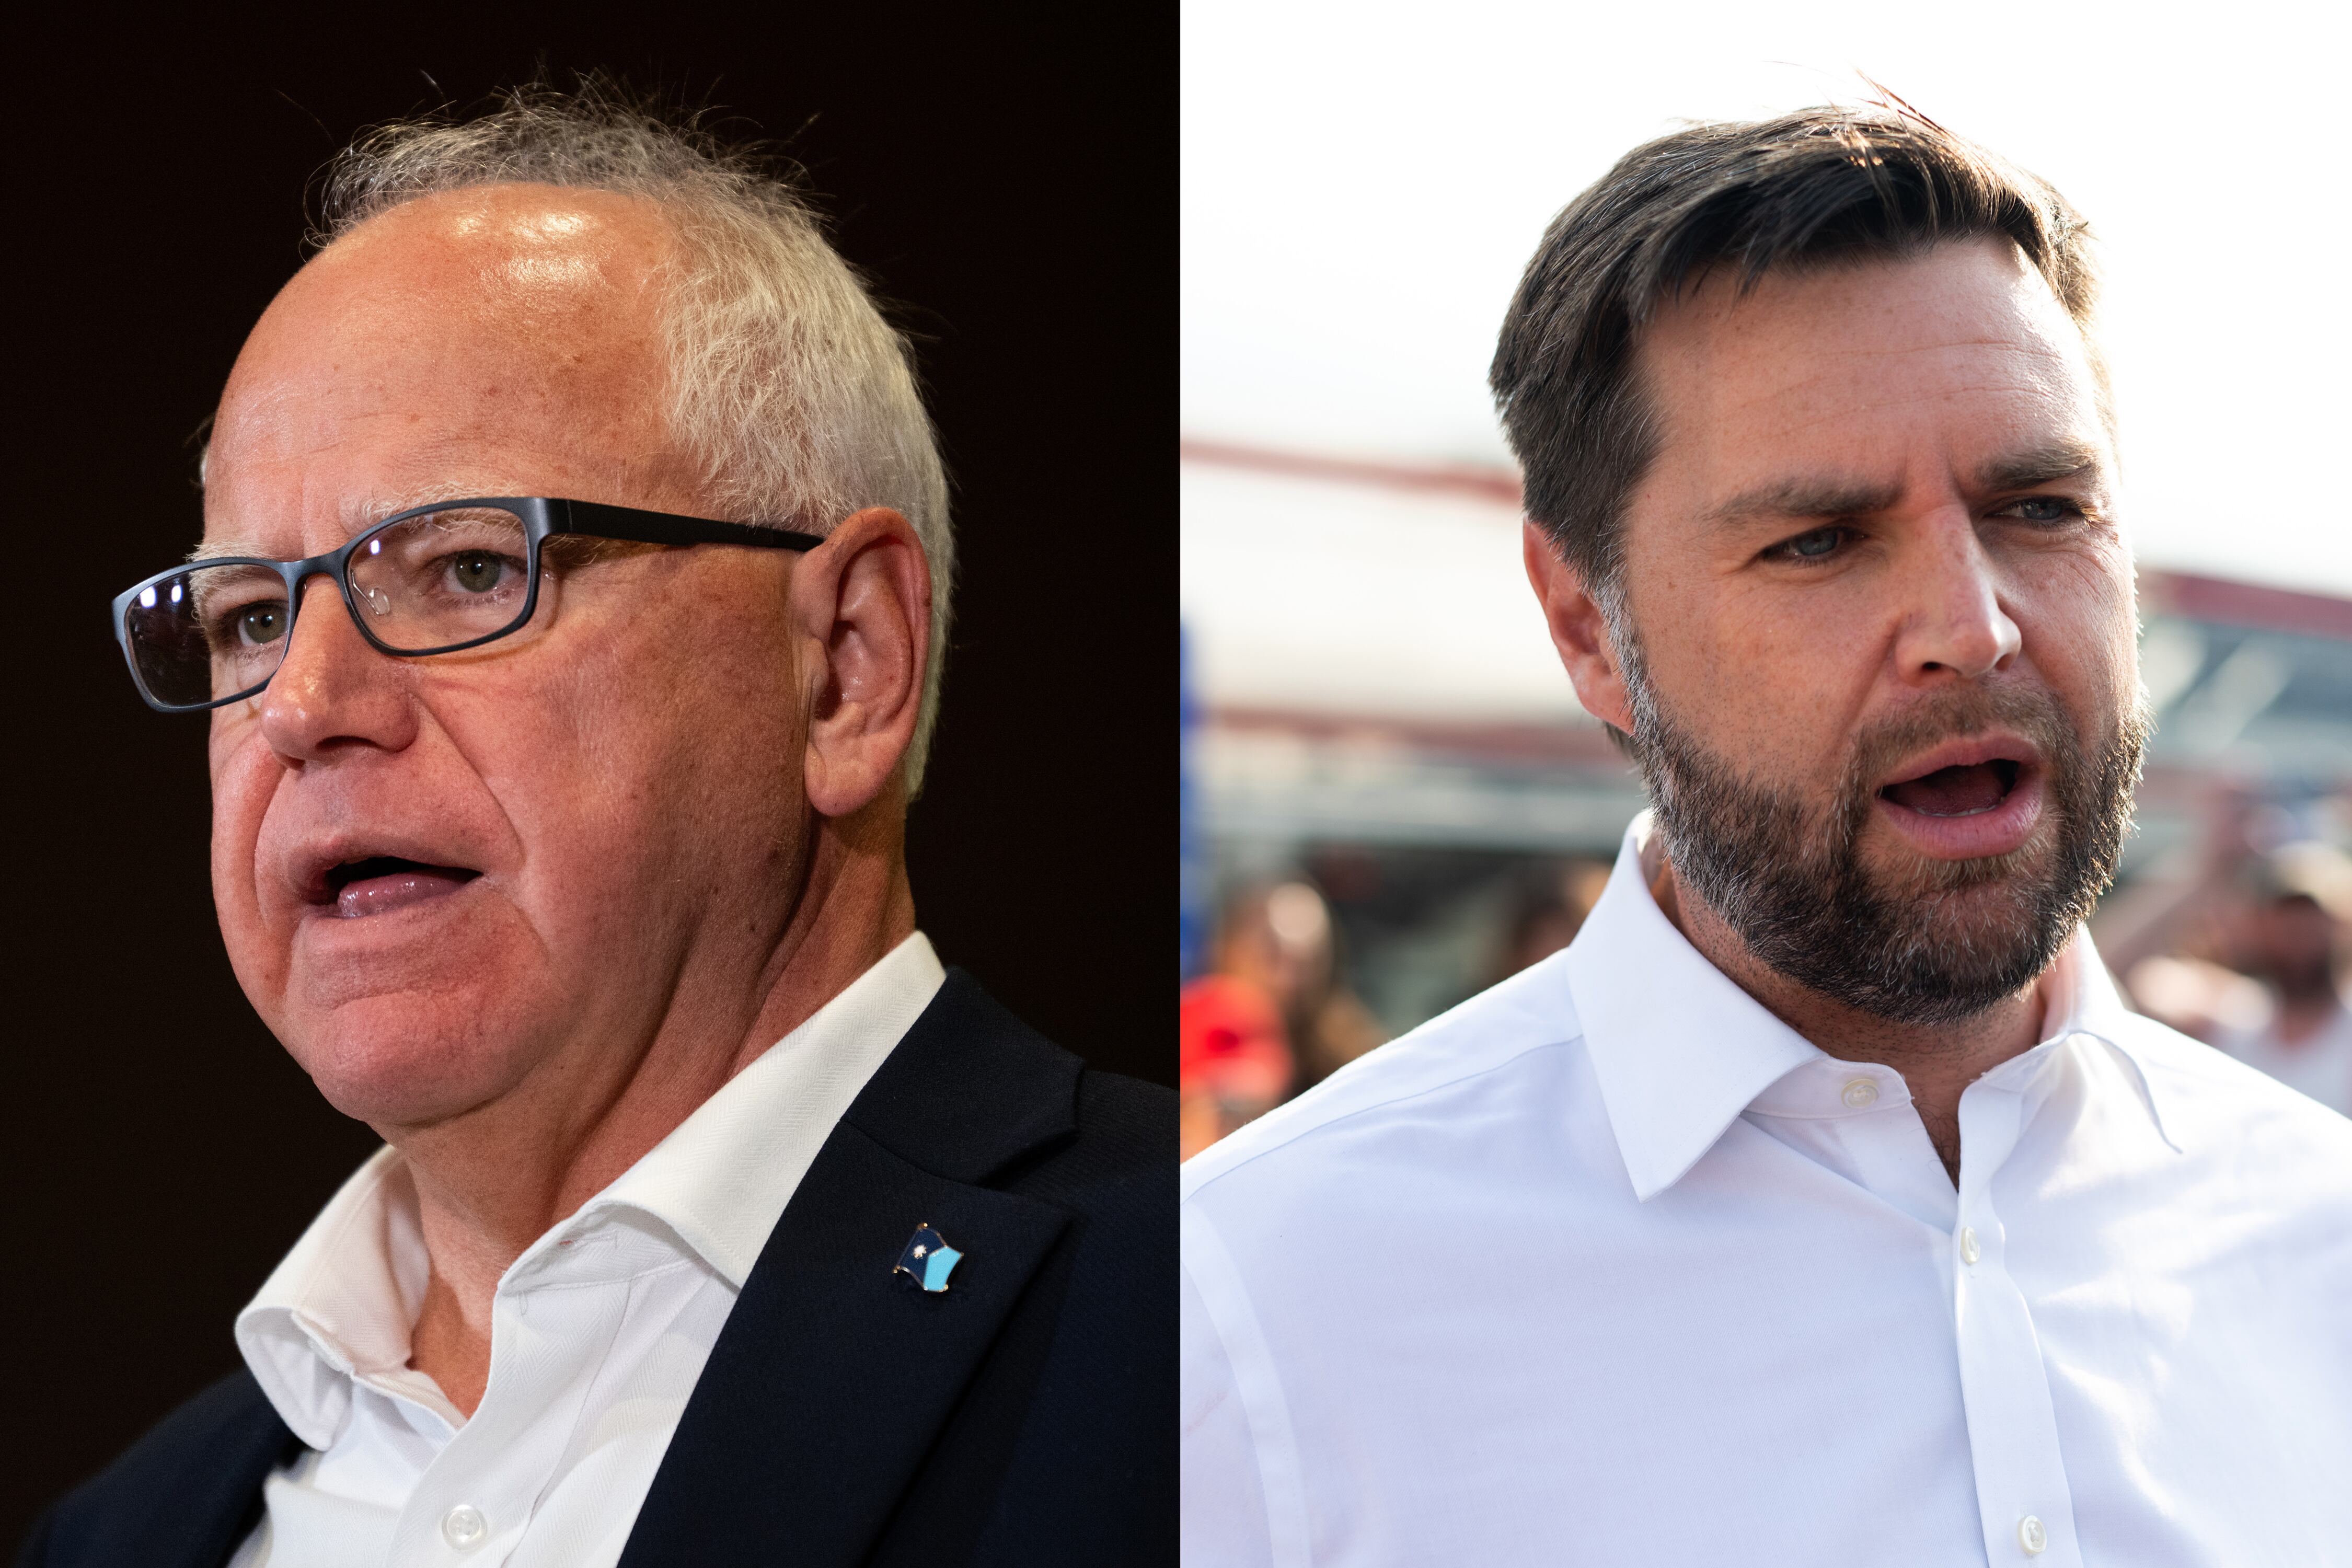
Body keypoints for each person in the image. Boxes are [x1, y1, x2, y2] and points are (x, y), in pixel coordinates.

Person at [1181, 104, 2352, 1565]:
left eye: (2040, 505)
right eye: (1816, 541)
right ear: (1583, 630)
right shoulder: (1245, 1326)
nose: (1970, 626)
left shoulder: (2318, 1245)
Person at [28, 89, 1171, 1568]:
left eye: (458, 569)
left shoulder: (1212, 1307)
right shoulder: (119, 1534)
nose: (303, 703)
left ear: (845, 666)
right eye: (251, 615)